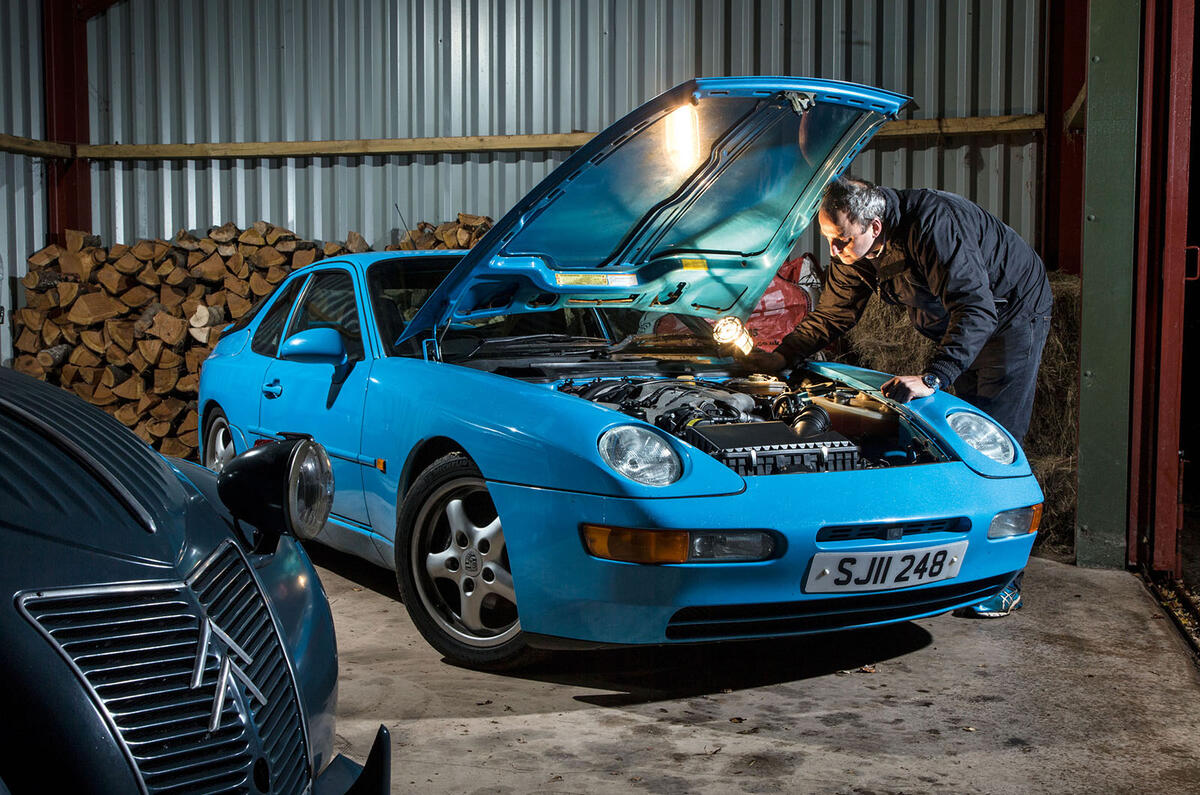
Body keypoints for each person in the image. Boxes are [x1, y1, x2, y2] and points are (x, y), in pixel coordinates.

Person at [751, 177, 1052, 618]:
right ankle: (946, 558)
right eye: (829, 240)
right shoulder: (859, 247)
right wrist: (780, 357)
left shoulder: (934, 225)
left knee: (992, 437)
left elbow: (976, 308)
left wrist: (934, 376)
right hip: (959, 319)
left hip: (1009, 315)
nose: (834, 252)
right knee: (950, 434)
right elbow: (834, 313)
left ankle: (1004, 585)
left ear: (875, 225)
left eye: (841, 241)